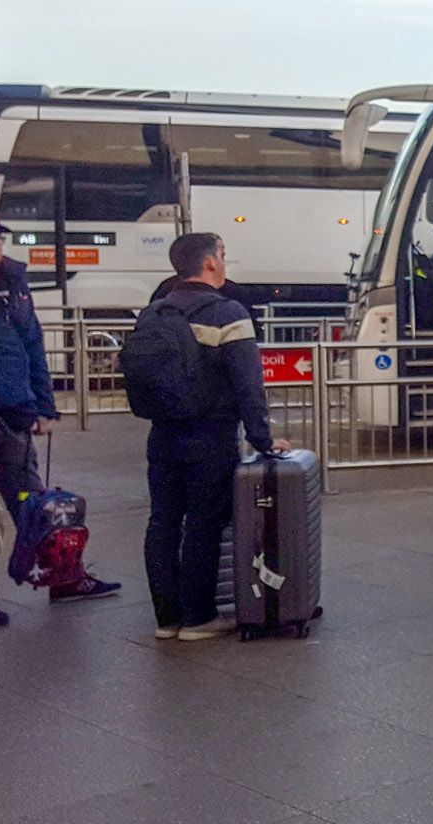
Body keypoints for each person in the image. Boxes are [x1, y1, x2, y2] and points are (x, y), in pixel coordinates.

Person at [0, 209, 121, 626]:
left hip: (15, 411)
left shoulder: (14, 285)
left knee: (32, 500)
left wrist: (43, 404)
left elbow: (33, 343)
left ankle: (64, 576)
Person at [140, 232, 288, 642]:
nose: (225, 262)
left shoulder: (154, 312)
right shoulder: (227, 312)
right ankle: (199, 617)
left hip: (162, 434)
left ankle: (166, 618)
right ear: (208, 263)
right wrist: (263, 439)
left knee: (163, 522)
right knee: (204, 523)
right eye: (222, 254)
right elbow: (248, 384)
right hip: (210, 435)